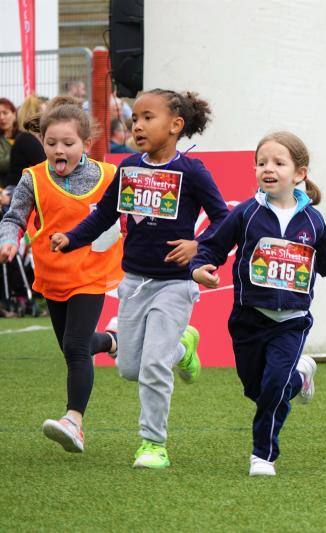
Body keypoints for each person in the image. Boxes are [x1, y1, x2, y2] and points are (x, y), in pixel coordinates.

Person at [50, 89, 230, 469]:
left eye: (149, 118)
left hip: (176, 285)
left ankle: (152, 444)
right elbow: (104, 216)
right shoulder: (129, 168)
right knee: (130, 368)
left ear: (176, 125)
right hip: (133, 283)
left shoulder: (192, 172)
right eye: (136, 119)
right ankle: (183, 348)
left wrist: (198, 246)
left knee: (152, 368)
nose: (138, 125)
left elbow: (225, 220)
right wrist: (71, 239)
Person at [191, 131, 326, 476]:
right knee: (256, 388)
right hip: (248, 318)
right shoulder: (245, 213)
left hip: (292, 321)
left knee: (274, 388)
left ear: (299, 173)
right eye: (261, 163)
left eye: (279, 163)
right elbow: (212, 246)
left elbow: (325, 261)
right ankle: (301, 377)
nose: (268, 169)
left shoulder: (313, 220)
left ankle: (263, 455)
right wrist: (200, 267)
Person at [0, 96, 123, 453]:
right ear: (42, 141)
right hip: (52, 276)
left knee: (74, 347)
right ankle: (113, 341)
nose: (59, 150)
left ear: (86, 143)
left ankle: (74, 421)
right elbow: (13, 218)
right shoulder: (32, 179)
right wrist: (8, 241)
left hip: (91, 273)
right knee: (73, 347)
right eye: (51, 142)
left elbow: (134, 216)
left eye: (68, 143)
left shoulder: (109, 176)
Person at [0, 97, 46, 187]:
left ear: (14, 114)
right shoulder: (24, 139)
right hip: (7, 184)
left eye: (5, 113)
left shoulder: (24, 137)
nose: (1, 117)